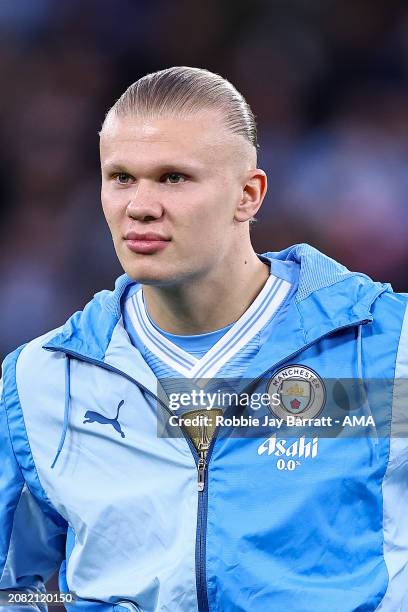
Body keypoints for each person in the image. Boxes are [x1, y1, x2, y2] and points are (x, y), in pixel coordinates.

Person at [0, 66, 407, 612]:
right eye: (121, 177)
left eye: (174, 178)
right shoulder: (41, 380)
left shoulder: (387, 349)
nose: (140, 206)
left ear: (248, 194)